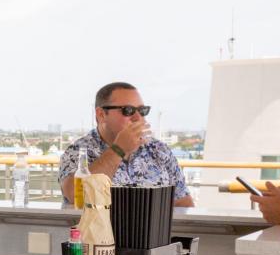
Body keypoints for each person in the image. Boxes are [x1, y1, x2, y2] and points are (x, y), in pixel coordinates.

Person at [59, 82, 194, 207]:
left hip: (152, 232)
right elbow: (75, 196)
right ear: (101, 115)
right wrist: (119, 149)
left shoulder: (159, 151)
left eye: (142, 110)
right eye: (128, 110)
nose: (137, 117)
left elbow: (183, 203)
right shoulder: (78, 152)